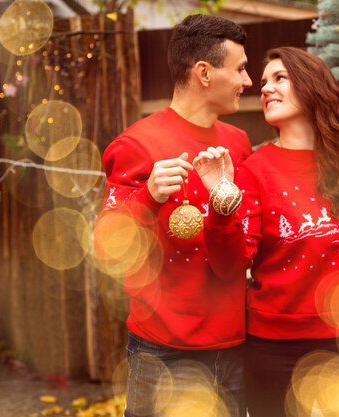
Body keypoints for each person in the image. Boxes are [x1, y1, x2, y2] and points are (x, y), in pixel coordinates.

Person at [226, 46, 339, 417]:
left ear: (311, 86)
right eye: (263, 82)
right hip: (270, 353)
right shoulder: (255, 170)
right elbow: (233, 261)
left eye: (279, 78)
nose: (264, 89)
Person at [97, 14, 253, 417]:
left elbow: (234, 262)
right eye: (239, 69)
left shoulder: (238, 144)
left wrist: (222, 206)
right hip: (162, 354)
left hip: (233, 349)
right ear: (204, 73)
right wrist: (147, 197)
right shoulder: (136, 144)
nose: (248, 82)